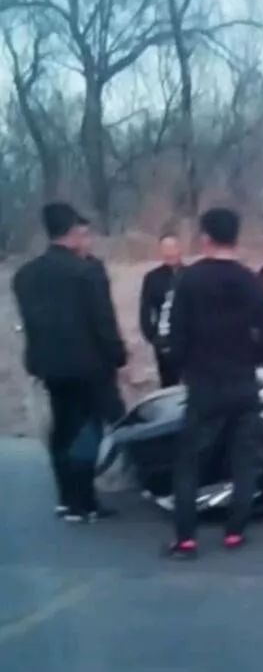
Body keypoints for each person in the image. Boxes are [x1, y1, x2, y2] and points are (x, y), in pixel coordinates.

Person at [166, 207, 263, 559]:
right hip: (243, 383)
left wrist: (183, 367)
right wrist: (253, 356)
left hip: (204, 385)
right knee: (244, 460)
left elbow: (176, 337)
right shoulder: (252, 281)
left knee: (189, 462)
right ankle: (235, 532)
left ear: (205, 238)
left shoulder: (187, 280)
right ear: (235, 236)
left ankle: (186, 538)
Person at [13, 202, 127, 522]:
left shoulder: (25, 276)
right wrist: (118, 356)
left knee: (61, 429)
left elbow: (30, 323)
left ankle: (66, 497)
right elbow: (103, 322)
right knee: (87, 432)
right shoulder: (87, 272)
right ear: (74, 232)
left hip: (49, 367)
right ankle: (84, 500)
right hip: (88, 366)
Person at [76, 216, 126, 424]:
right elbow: (103, 317)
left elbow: (106, 311)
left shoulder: (95, 265)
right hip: (90, 358)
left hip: (95, 359)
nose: (88, 242)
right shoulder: (89, 272)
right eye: (84, 236)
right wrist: (116, 352)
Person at [139, 232, 184, 388]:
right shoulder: (152, 277)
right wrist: (152, 336)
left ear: (180, 249)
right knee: (168, 384)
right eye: (165, 248)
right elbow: (145, 310)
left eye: (172, 247)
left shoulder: (191, 274)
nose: (169, 252)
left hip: (189, 339)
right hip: (164, 339)